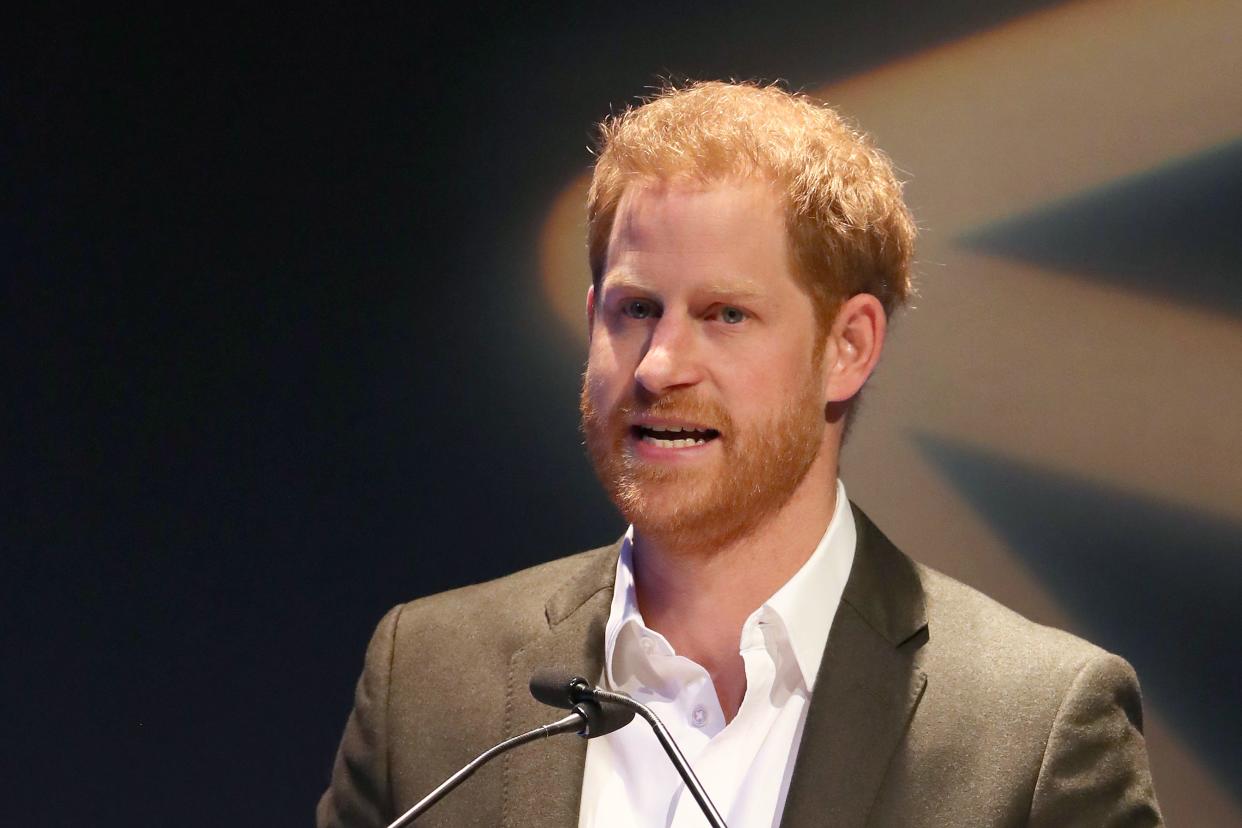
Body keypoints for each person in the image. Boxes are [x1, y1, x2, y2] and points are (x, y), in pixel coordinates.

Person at [317, 81, 1162, 827]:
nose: (658, 365)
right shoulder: (426, 679)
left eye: (724, 314)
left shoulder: (1035, 726)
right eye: (635, 308)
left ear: (848, 346)